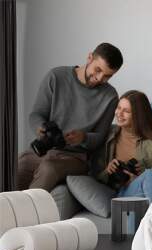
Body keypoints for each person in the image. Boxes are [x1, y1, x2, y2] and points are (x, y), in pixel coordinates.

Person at [17, 43, 123, 191]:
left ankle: (27, 213)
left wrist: (83, 137)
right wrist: (41, 128)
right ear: (89, 57)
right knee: (18, 166)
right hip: (45, 147)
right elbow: (36, 114)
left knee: (49, 169)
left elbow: (100, 137)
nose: (99, 78)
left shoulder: (110, 97)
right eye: (98, 70)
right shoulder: (56, 76)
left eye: (107, 76)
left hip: (76, 158)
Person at [92, 90, 152, 202]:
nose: (119, 114)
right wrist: (108, 171)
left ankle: (150, 216)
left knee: (150, 174)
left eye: (126, 111)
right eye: (119, 108)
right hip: (120, 193)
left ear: (138, 115)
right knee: (149, 175)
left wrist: (140, 177)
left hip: (146, 192)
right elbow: (94, 177)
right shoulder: (108, 135)